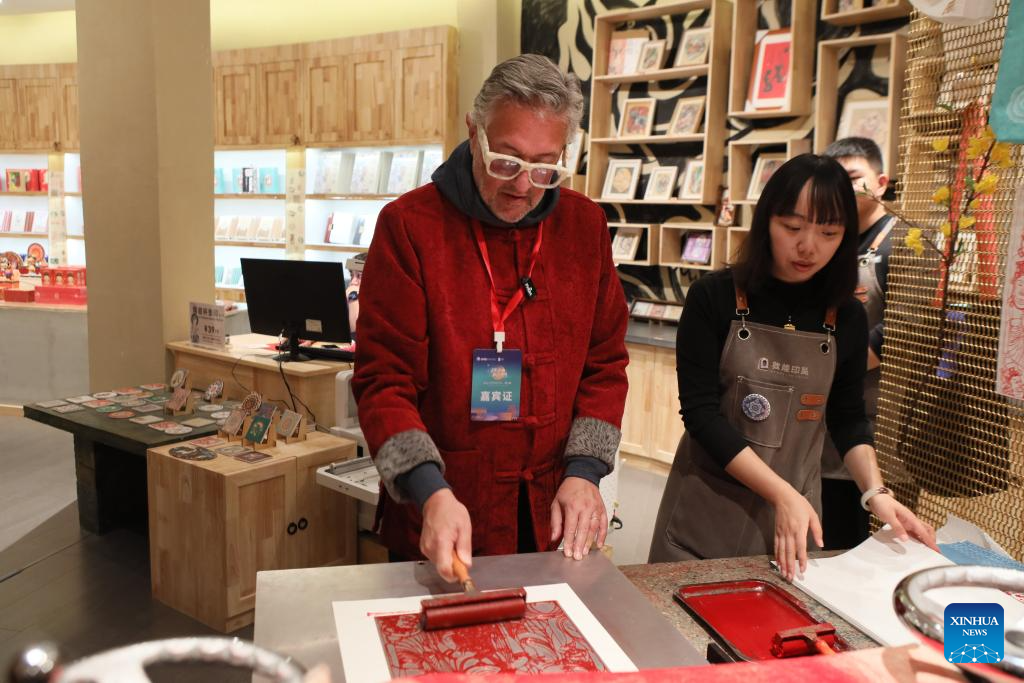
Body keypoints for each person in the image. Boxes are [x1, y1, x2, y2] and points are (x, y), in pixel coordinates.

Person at [352, 54, 629, 582]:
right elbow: (384, 380)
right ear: (473, 131)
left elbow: (605, 363)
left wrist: (585, 471)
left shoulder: (584, 227)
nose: (523, 186)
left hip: (551, 510)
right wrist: (429, 490)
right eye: (506, 161)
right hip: (444, 510)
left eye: (545, 168)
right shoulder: (411, 227)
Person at [648, 154, 936, 579]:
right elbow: (701, 416)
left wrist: (877, 493)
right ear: (766, 221)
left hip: (797, 511)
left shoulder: (846, 316)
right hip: (708, 506)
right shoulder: (714, 297)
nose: (809, 246)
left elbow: (848, 419)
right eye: (793, 227)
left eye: (828, 232)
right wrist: (780, 493)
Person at [820, 137, 896, 550]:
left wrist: (830, 371)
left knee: (861, 531)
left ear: (881, 182)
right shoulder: (835, 240)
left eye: (853, 178)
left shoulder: (900, 241)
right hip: (825, 407)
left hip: (874, 411)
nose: (844, 190)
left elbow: (899, 331)